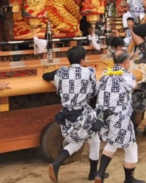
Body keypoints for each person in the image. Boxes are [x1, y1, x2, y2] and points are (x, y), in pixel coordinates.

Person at [42, 46, 105, 182]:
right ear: (83, 60)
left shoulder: (61, 72)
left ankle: (57, 164)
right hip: (83, 113)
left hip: (67, 115)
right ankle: (93, 174)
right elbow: (94, 92)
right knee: (94, 141)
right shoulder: (89, 72)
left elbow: (46, 76)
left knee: (76, 143)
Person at [94, 50, 143, 183]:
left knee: (112, 143)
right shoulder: (127, 75)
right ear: (126, 63)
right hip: (120, 117)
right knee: (131, 145)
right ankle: (129, 179)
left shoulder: (106, 73)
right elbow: (135, 86)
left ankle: (100, 174)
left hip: (103, 116)